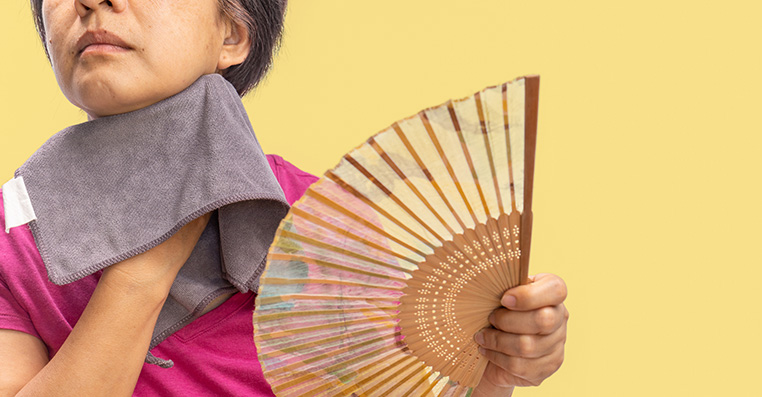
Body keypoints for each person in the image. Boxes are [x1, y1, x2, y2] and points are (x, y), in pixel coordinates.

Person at [0, 0, 569, 396]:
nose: (92, 1)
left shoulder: (324, 224)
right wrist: (143, 269)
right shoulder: (11, 241)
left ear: (233, 36)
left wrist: (493, 377)